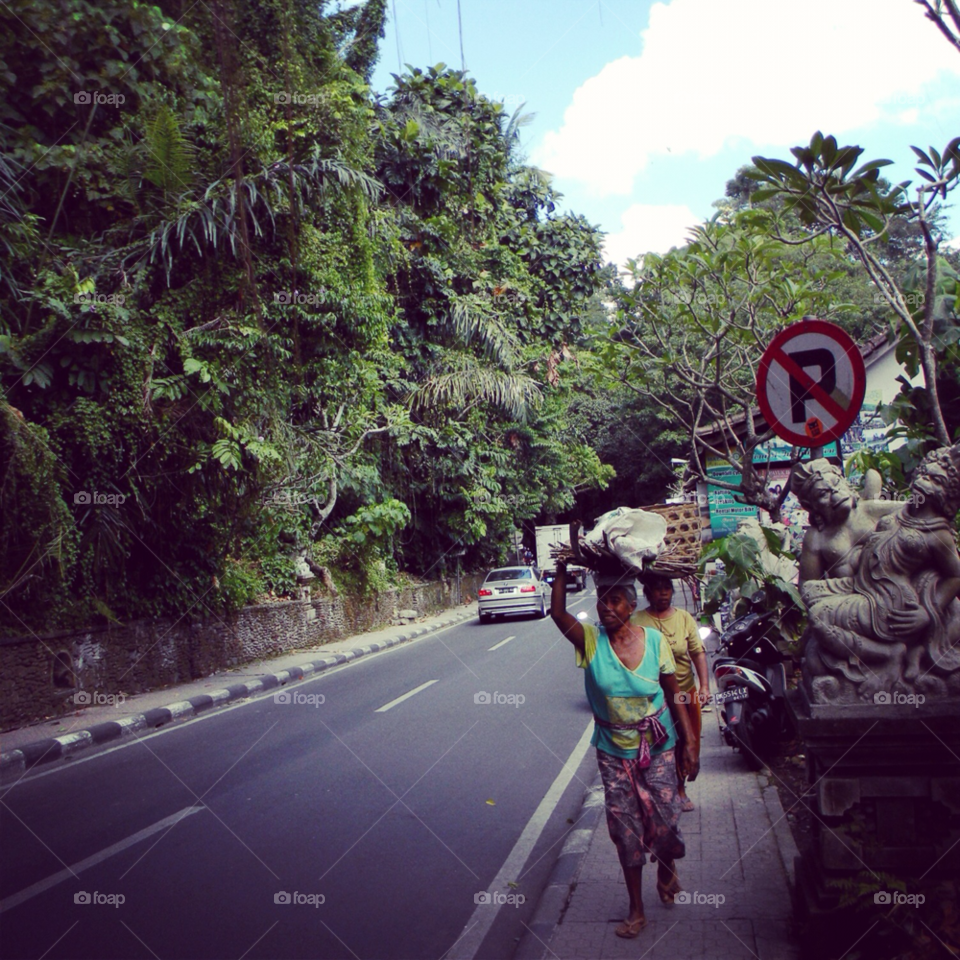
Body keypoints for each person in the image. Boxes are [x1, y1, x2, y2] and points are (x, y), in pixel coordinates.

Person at [551, 559, 699, 939]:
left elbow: (674, 692)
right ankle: (636, 909)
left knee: (666, 816)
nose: (607, 608)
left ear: (631, 606)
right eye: (603, 601)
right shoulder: (590, 640)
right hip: (614, 749)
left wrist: (691, 742)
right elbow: (555, 612)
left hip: (660, 741)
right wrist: (563, 570)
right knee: (625, 827)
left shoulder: (654, 641)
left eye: (616, 601)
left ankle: (666, 866)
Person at [632, 575, 710, 812]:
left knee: (686, 740)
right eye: (657, 589)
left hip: (684, 693)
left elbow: (697, 653)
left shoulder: (684, 618)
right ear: (647, 592)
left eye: (667, 588)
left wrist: (705, 686)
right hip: (652, 695)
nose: (663, 593)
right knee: (657, 743)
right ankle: (653, 791)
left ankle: (680, 788)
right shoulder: (637, 620)